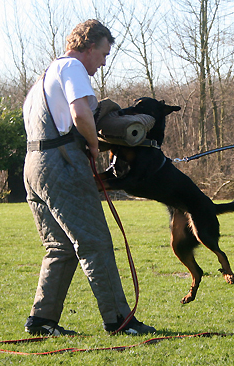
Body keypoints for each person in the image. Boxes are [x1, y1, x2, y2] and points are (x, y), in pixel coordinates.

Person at [22, 19, 155, 336]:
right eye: (104, 54)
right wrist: (94, 146)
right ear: (90, 46)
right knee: (95, 242)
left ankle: (41, 321)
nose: (104, 62)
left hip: (32, 166)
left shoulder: (43, 78)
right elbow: (81, 113)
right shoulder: (72, 68)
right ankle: (120, 321)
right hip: (61, 165)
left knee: (60, 247)